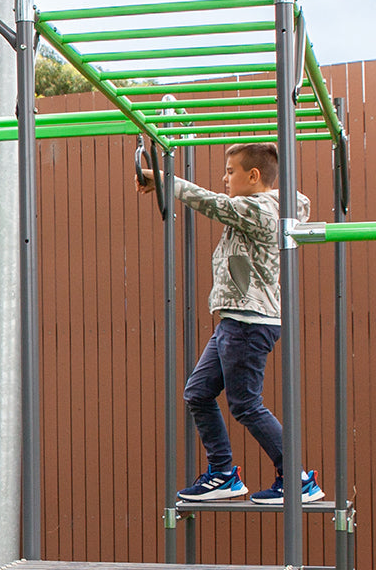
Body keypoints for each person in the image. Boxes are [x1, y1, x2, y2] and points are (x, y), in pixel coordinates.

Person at [138, 142, 323, 505]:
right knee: (198, 392)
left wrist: (166, 181)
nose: (224, 178)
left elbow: (215, 204)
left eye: (230, 171)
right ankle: (223, 473)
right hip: (235, 321)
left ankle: (297, 477)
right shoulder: (267, 205)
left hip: (249, 323)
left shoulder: (260, 209)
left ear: (254, 176)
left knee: (245, 404)